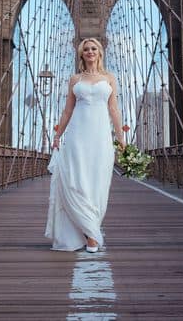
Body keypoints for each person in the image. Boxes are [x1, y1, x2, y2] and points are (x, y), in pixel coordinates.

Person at [45, 37, 125, 253]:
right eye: (86, 49)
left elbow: (114, 110)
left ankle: (91, 228)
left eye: (94, 49)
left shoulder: (109, 78)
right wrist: (57, 134)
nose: (90, 52)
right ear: (81, 54)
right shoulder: (75, 79)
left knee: (97, 184)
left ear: (100, 53)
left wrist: (120, 137)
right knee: (76, 181)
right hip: (77, 136)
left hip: (100, 137)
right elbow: (68, 110)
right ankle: (90, 235)